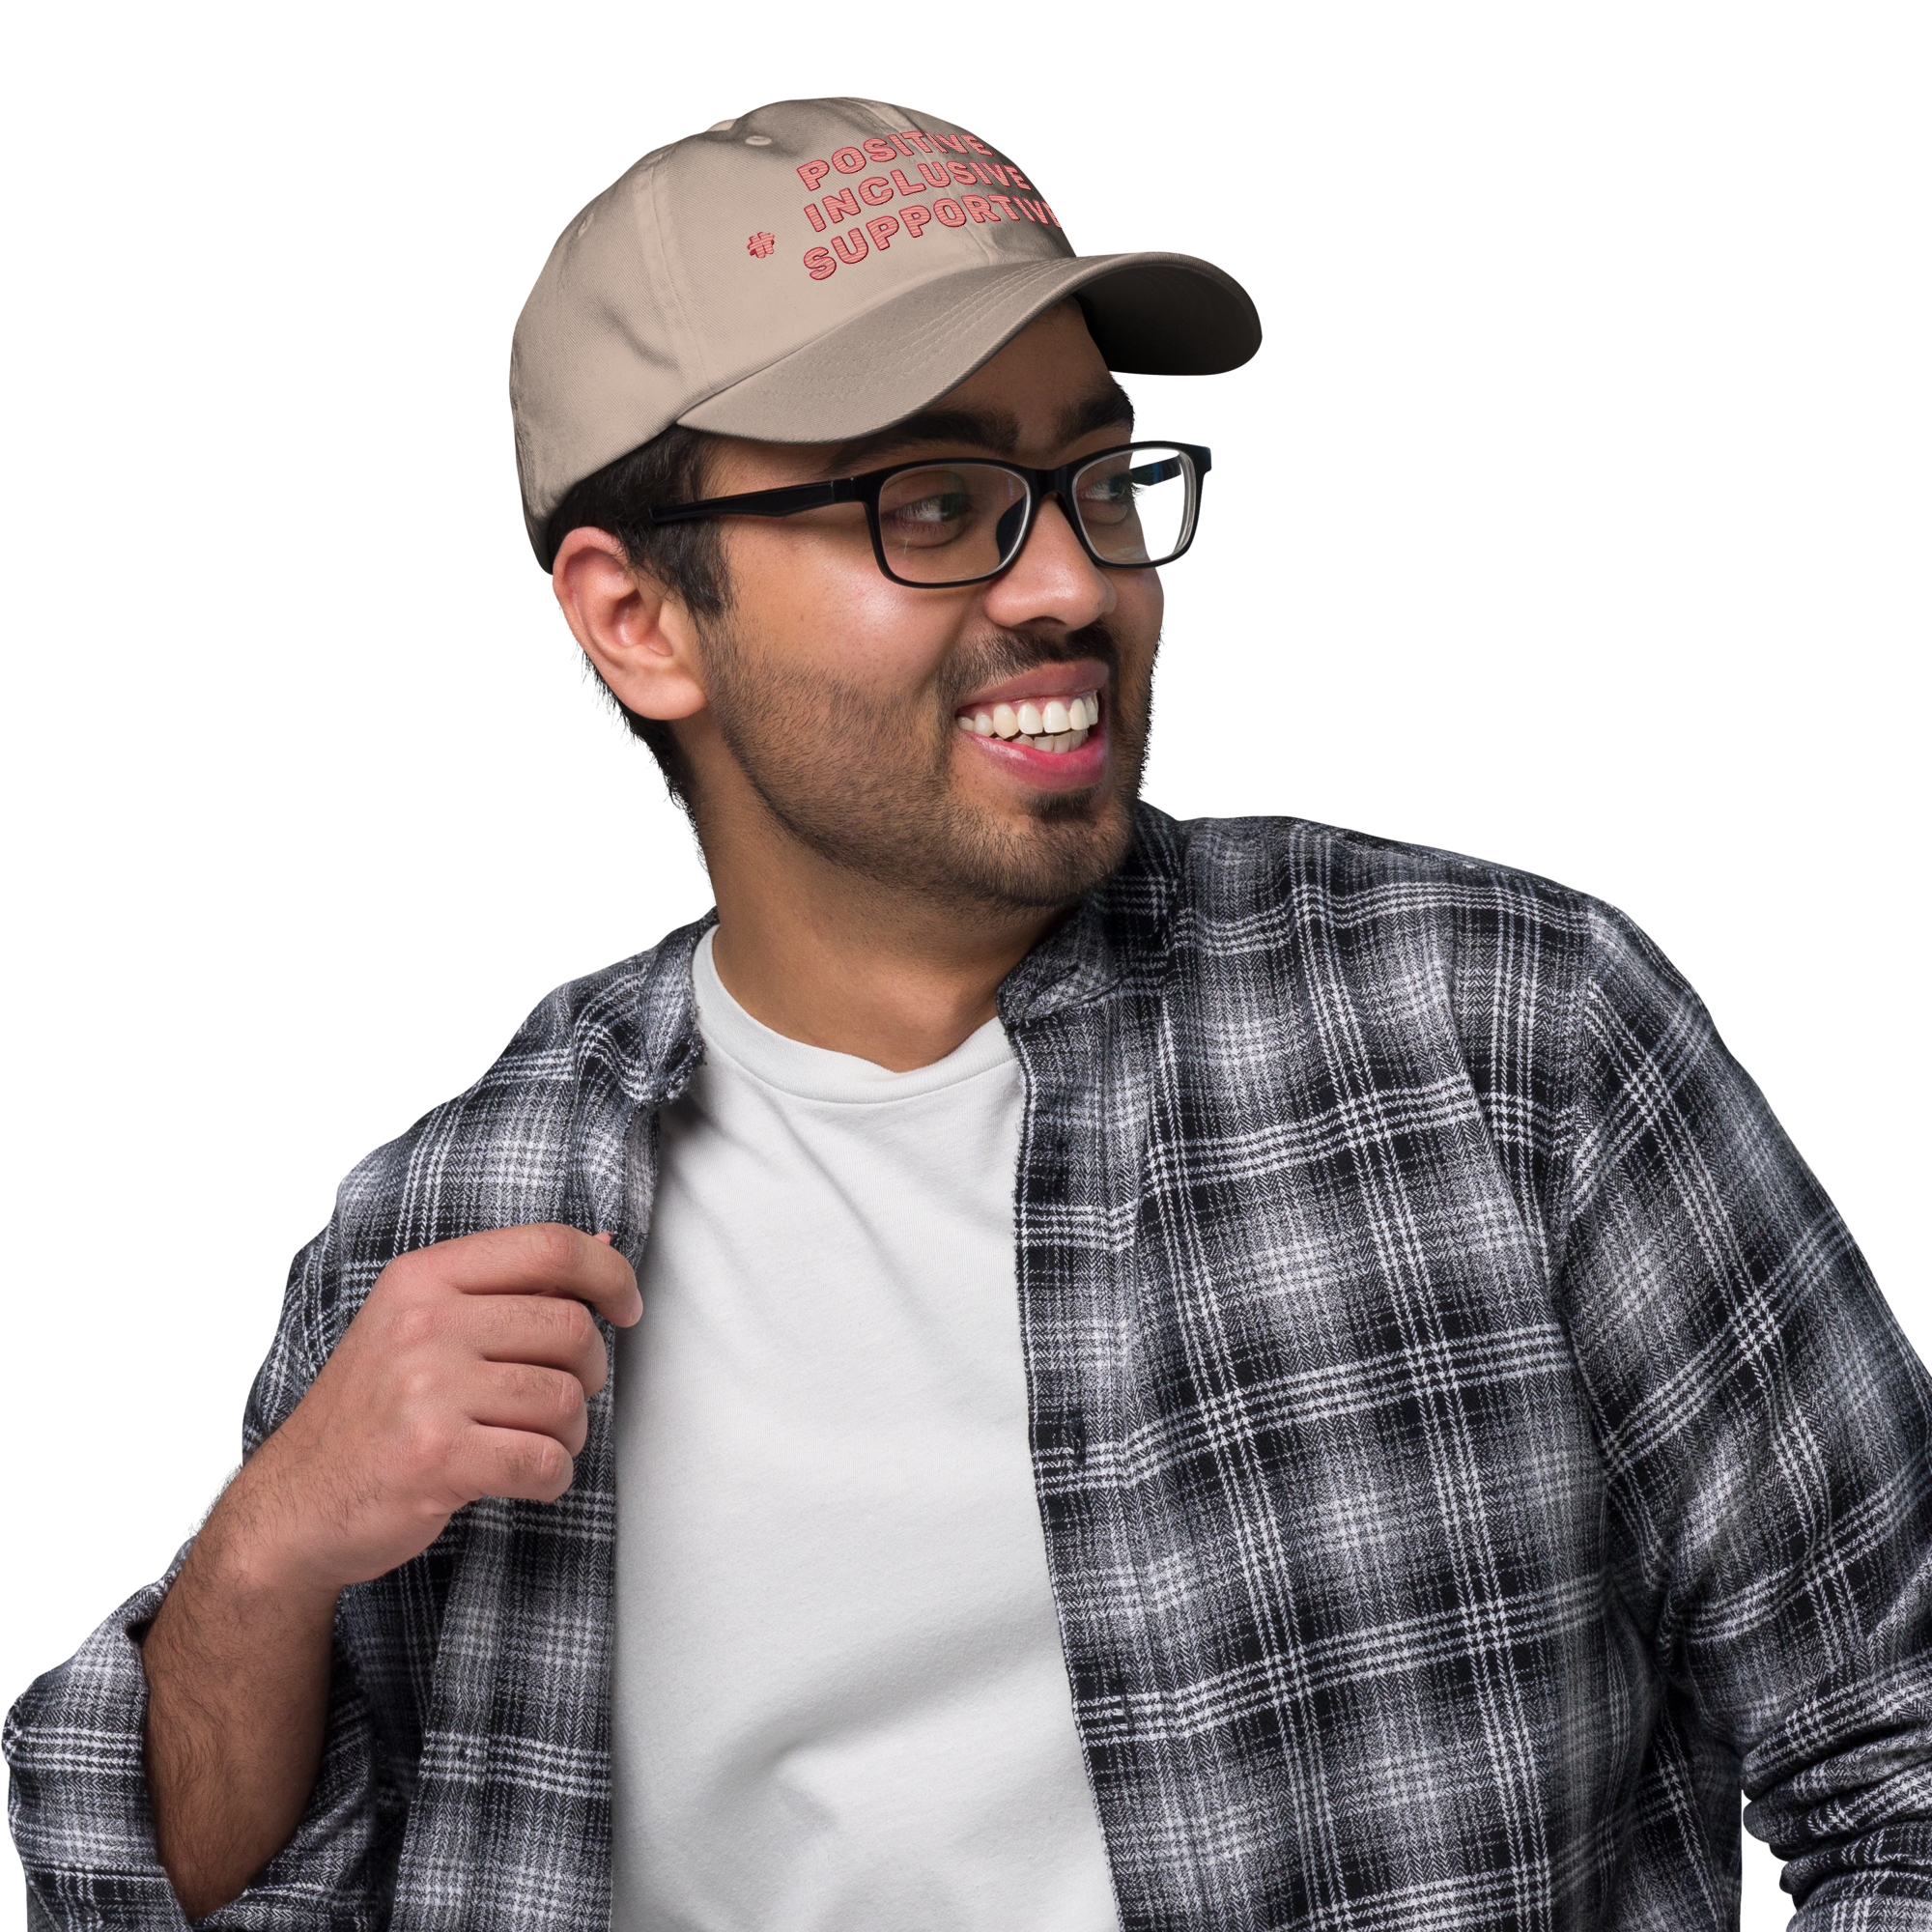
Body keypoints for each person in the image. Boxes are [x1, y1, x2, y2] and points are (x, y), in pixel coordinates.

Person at [5, 93, 1927, 1932]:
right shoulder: (448, 1220)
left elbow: (1891, 1757)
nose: (1074, 582)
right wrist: (261, 1557)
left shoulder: (1503, 1042)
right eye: (934, 502)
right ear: (637, 619)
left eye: (1099, 479)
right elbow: (181, 1890)